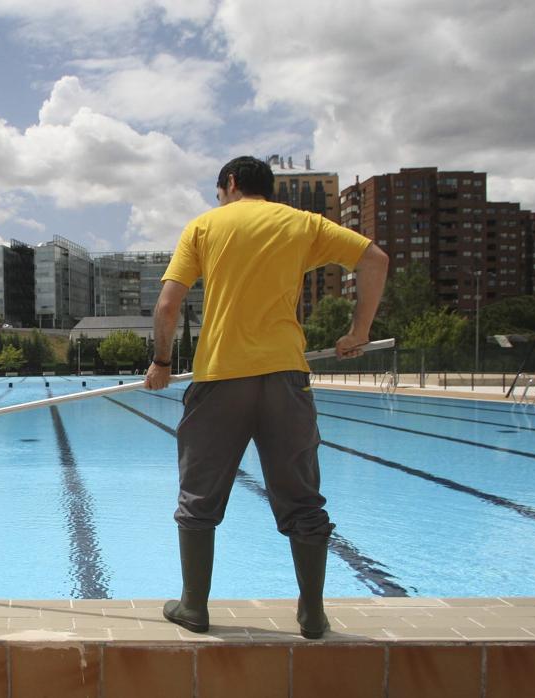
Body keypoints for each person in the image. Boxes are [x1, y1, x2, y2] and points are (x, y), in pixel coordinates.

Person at [144, 155, 389, 639]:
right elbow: (375, 260)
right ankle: (313, 614)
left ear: (229, 183)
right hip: (285, 377)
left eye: (218, 191)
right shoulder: (302, 224)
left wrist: (162, 363)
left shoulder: (204, 227)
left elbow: (168, 305)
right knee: (302, 498)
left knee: (199, 498)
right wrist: (358, 331)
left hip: (220, 378)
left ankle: (194, 607)